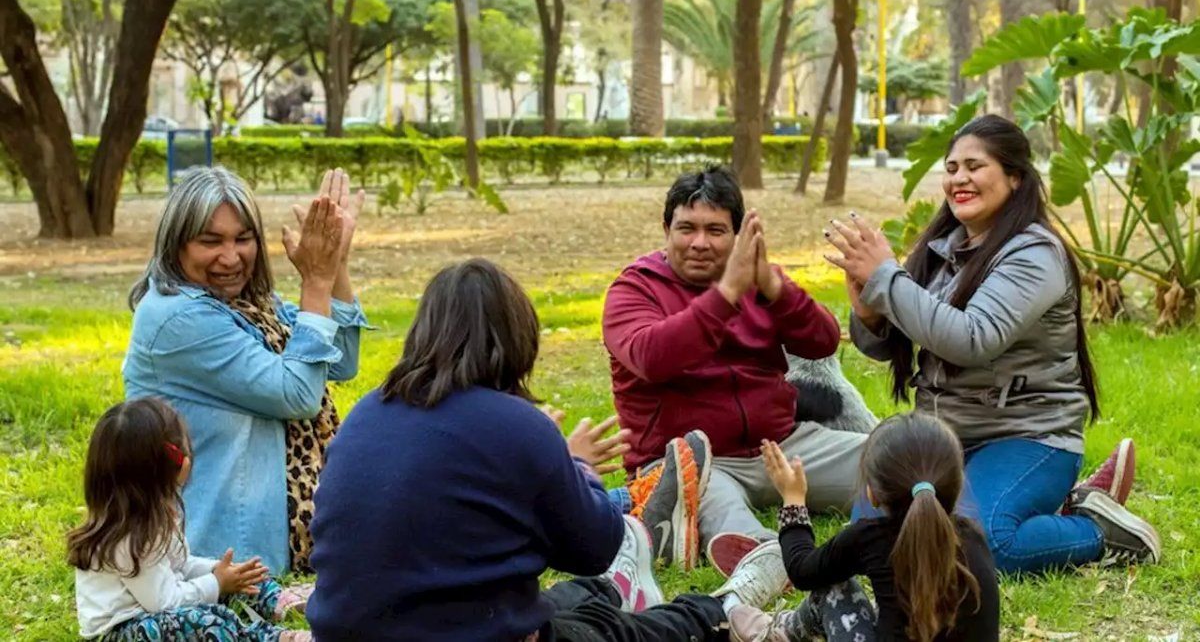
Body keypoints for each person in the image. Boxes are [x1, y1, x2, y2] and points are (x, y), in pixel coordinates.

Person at [306, 258, 791, 642]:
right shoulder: (518, 425)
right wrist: (578, 467)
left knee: (569, 601)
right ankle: (722, 609)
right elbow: (595, 546)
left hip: (350, 632)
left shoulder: (365, 414)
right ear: (518, 337)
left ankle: (619, 587)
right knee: (618, 631)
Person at [824, 114, 1160, 572]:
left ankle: (1099, 530)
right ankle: (1034, 506)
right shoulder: (942, 248)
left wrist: (887, 278)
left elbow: (971, 339)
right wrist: (869, 313)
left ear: (1015, 177)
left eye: (974, 166)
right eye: (951, 168)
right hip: (945, 434)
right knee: (871, 538)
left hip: (1027, 436)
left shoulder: (1035, 255)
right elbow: (893, 344)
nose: (958, 178)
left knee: (980, 546)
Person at [602, 165, 868, 575]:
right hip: (689, 462)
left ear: (739, 236)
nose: (699, 243)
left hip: (780, 445)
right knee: (731, 526)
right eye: (686, 228)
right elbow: (652, 358)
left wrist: (777, 290)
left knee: (896, 461)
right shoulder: (634, 289)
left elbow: (823, 341)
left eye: (715, 230)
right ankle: (765, 560)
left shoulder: (759, 281)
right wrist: (726, 294)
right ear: (666, 229)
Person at [123, 166, 369, 575]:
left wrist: (335, 262)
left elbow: (340, 360)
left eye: (243, 238)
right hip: (213, 560)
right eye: (210, 241)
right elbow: (298, 394)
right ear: (176, 244)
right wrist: (316, 283)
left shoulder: (252, 304)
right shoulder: (176, 317)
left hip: (262, 549)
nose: (231, 257)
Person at [69, 398, 311, 641]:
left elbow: (180, 566)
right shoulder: (128, 537)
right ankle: (268, 638)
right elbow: (164, 602)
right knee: (201, 621)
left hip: (160, 611)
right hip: (125, 630)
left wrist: (217, 571)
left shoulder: (152, 514)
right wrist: (216, 582)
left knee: (241, 576)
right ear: (173, 461)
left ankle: (278, 600)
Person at [755, 413, 1000, 642]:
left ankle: (779, 630)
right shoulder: (973, 537)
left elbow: (802, 570)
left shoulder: (870, 538)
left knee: (833, 586)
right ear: (957, 484)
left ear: (872, 492)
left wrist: (793, 499)